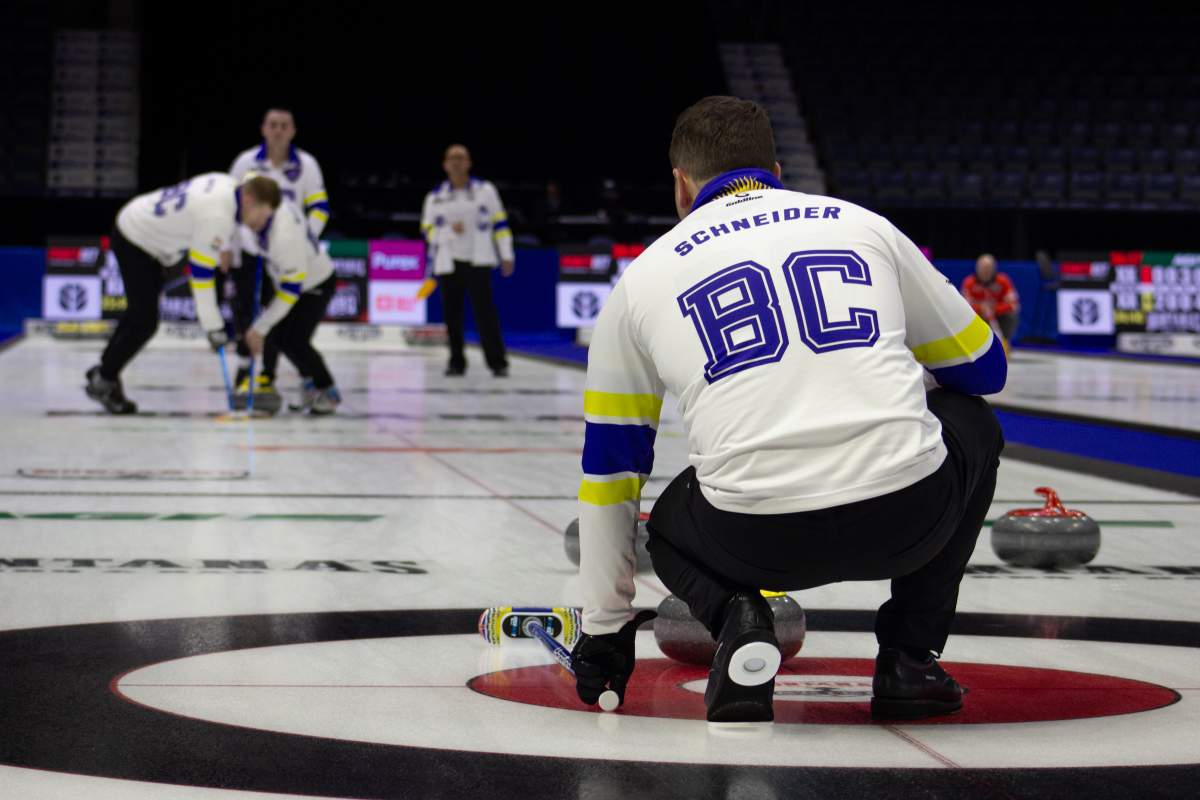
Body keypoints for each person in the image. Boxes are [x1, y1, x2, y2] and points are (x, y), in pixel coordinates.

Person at [569, 96, 1006, 724]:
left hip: (754, 540)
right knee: (973, 421)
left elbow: (611, 471)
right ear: (775, 170)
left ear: (681, 184)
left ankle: (738, 618)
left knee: (665, 522)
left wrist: (606, 628)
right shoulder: (863, 226)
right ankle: (910, 660)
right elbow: (985, 370)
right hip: (909, 518)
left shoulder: (639, 281)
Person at [85, 175, 282, 414]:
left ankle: (104, 370)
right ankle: (104, 379)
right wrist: (213, 326)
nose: (262, 222)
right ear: (249, 200)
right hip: (136, 237)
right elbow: (201, 278)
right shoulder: (217, 217)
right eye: (263, 214)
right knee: (145, 322)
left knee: (139, 313)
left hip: (145, 228)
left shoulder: (226, 184)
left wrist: (223, 246)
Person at [227, 108, 330, 407]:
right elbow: (228, 205)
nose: (278, 130)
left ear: (293, 131)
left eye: (284, 125)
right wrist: (230, 245)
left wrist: (305, 239)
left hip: (284, 251)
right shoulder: (246, 163)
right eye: (273, 125)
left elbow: (319, 208)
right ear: (263, 129)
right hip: (249, 250)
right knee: (246, 313)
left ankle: (267, 376)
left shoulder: (307, 165)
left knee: (275, 315)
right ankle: (244, 372)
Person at [420, 144, 514, 377]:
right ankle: (456, 362)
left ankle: (497, 362)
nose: (456, 162)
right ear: (445, 164)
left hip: (478, 260)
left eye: (461, 158)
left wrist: (506, 254)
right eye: (452, 158)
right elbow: (426, 230)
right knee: (452, 316)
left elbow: (500, 223)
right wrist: (449, 232)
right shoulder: (435, 197)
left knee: (485, 314)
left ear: (469, 163)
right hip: (449, 262)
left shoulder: (485, 190)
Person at [243, 198, 341, 415]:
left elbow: (291, 289)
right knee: (280, 338)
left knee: (297, 340)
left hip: (316, 283)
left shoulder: (285, 233)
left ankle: (327, 390)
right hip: (297, 282)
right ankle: (311, 384)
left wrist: (260, 327)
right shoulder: (274, 215)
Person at [961, 253, 1020, 347]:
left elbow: (1014, 304)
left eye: (988, 268)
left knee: (1011, 316)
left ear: (994, 269)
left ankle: (1004, 342)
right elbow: (964, 306)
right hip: (978, 317)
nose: (985, 271)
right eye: (983, 268)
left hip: (998, 317)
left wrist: (995, 309)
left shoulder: (1003, 281)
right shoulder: (969, 283)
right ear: (977, 268)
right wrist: (980, 308)